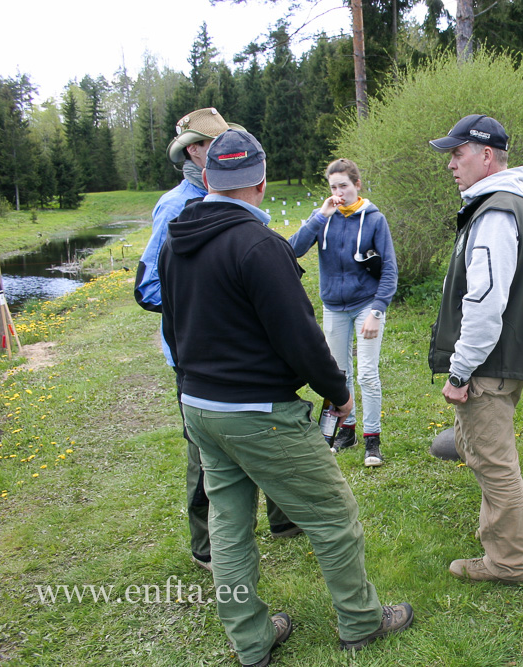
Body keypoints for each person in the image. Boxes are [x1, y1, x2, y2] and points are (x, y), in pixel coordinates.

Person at [158, 128, 412, 665]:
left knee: (228, 524)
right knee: (333, 512)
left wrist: (192, 391)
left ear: (207, 178)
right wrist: (339, 395)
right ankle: (362, 621)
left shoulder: (178, 237)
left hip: (199, 407)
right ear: (262, 183)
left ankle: (250, 639)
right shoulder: (258, 245)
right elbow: (300, 337)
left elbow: (174, 326)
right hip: (257, 412)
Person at [133, 107, 297, 574]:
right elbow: (147, 289)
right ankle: (206, 545)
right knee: (207, 450)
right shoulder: (177, 205)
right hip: (199, 353)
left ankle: (284, 519)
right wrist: (211, 307)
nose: (228, 151)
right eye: (217, 143)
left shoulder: (239, 197)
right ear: (195, 151)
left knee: (273, 424)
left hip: (248, 345)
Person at [428, 114, 523, 584]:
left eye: (457, 154)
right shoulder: (515, 204)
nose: (450, 164)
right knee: (490, 451)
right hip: (502, 358)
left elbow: (483, 303)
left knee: (489, 458)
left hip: (488, 362)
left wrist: (459, 373)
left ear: (485, 155)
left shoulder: (497, 212)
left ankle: (505, 561)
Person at [288, 159, 398, 467]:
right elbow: (291, 250)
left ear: (357, 185)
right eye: (333, 187)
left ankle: (372, 440)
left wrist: (378, 310)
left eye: (344, 186)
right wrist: (320, 217)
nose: (339, 193)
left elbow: (389, 269)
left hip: (366, 305)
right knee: (338, 374)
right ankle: (343, 431)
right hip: (334, 307)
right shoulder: (322, 217)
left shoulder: (374, 219)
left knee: (367, 373)